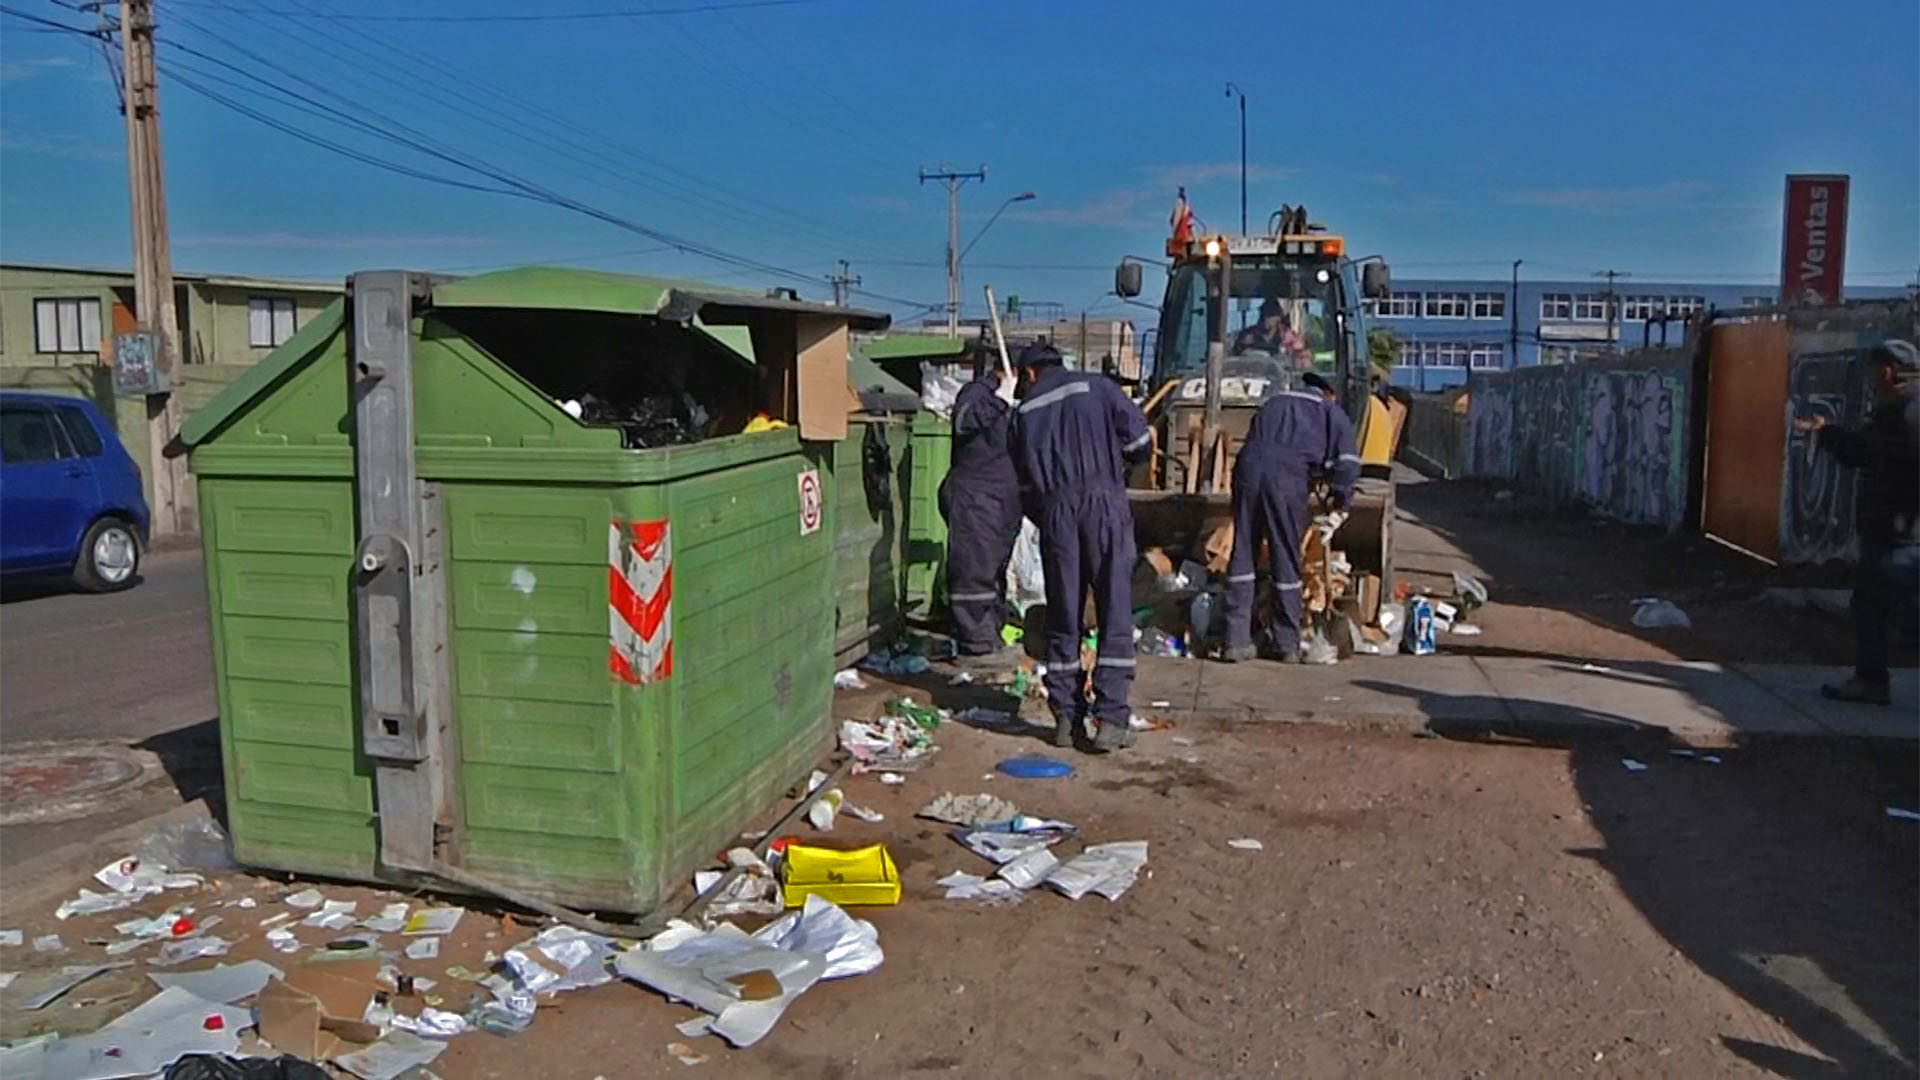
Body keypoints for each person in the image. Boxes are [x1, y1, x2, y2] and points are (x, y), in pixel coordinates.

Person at [1009, 341, 1152, 751]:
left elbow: (1023, 487)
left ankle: (1066, 719)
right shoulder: (1099, 387)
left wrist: (1052, 514)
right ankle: (1110, 719)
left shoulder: (1024, 413)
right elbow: (1140, 444)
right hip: (1104, 505)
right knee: (1114, 610)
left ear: (1030, 373)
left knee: (1064, 616)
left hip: (1058, 514)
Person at [1792, 338, 1920, 705]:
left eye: (1872, 372)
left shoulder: (1900, 412)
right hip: (1904, 531)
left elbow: (1862, 452)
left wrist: (1825, 433)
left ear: (1887, 371)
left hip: (1896, 534)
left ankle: (1870, 681)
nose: (1869, 380)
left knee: (1870, 606)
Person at [1219, 372, 1361, 663]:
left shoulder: (1273, 402)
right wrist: (1340, 505)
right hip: (1285, 481)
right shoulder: (1330, 411)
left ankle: (1235, 640)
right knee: (1285, 557)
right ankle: (1287, 644)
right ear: (1330, 393)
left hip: (1246, 472)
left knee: (1243, 552)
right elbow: (1347, 464)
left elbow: (1261, 442)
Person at [939, 351, 1023, 666]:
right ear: (1009, 371)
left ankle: (990, 633)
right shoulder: (977, 395)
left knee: (993, 570)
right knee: (974, 568)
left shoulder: (1017, 404)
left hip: (1004, 499)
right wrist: (998, 399)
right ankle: (976, 643)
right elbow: (964, 422)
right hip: (975, 495)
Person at [1234, 297, 1313, 369]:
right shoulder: (1247, 335)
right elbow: (1235, 356)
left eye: (1270, 315)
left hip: (1281, 378)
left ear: (1278, 318)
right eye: (1263, 314)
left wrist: (1301, 360)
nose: (1266, 319)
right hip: (1252, 377)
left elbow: (1302, 354)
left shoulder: (1287, 336)